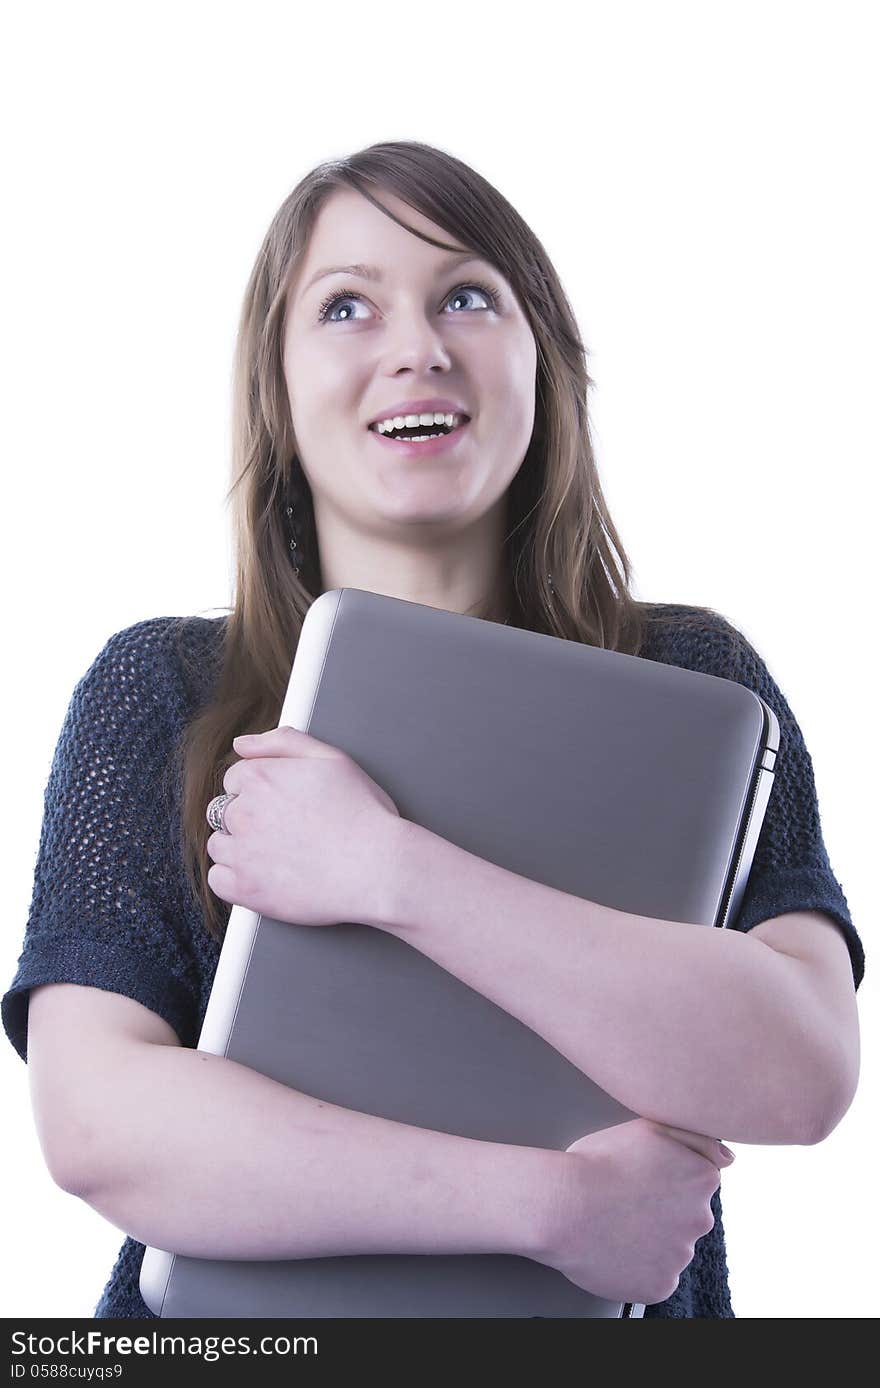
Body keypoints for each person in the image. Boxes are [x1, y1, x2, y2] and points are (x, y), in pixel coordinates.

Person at [2, 140, 864, 1320]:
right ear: (279, 390)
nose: (417, 346)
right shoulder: (158, 689)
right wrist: (551, 1208)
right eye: (346, 306)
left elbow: (799, 1072)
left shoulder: (693, 677)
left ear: (541, 360)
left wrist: (387, 869)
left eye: (467, 295)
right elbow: (98, 1123)